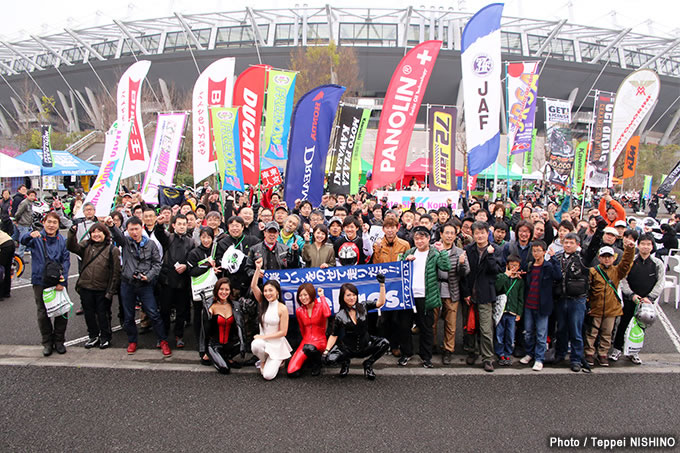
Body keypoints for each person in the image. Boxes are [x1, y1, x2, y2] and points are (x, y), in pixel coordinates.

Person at [106, 215, 171, 358]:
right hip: (127, 284)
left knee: (153, 313)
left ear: (141, 228)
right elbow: (117, 236)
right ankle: (132, 341)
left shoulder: (151, 244)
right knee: (128, 316)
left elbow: (156, 264)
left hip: (145, 284)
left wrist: (148, 276)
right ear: (127, 230)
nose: (134, 232)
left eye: (136, 229)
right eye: (131, 230)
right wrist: (111, 226)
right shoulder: (125, 242)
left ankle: (163, 340)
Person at [20, 212, 70, 356]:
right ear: (44, 222)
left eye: (55, 222)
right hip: (40, 280)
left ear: (58, 225)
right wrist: (30, 235)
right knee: (43, 313)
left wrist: (63, 280)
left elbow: (66, 261)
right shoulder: (36, 237)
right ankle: (47, 342)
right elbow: (22, 240)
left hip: (58, 280)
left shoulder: (62, 240)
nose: (51, 225)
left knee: (62, 311)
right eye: (49, 222)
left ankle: (59, 341)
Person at [401, 226, 451, 368]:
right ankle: (407, 353)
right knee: (405, 326)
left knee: (426, 328)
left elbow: (446, 267)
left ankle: (426, 357)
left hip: (426, 296)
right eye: (416, 238)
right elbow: (401, 270)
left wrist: (442, 252)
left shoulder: (434, 253)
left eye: (422, 238)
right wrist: (405, 261)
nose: (419, 241)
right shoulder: (410, 252)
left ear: (429, 238)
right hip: (409, 297)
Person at [324, 275, 389, 380]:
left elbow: (380, 303)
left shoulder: (363, 306)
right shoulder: (339, 315)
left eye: (354, 295)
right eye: (348, 295)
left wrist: (382, 285)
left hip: (366, 344)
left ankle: (368, 364)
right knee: (329, 359)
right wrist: (326, 351)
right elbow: (334, 335)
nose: (351, 298)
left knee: (385, 343)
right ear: (343, 297)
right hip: (348, 348)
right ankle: (345, 362)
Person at [67, 222, 120, 349]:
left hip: (102, 288)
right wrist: (71, 233)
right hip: (86, 287)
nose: (96, 235)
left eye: (99, 232)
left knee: (103, 314)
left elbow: (115, 272)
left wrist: (110, 291)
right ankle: (93, 336)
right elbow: (71, 246)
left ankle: (105, 337)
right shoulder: (86, 246)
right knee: (89, 314)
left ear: (105, 233)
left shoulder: (112, 249)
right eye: (93, 232)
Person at [613, 233, 665, 364]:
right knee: (624, 323)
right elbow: (623, 279)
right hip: (630, 299)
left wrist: (650, 297)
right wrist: (631, 295)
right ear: (638, 245)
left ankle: (634, 352)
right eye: (643, 244)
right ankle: (617, 348)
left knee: (640, 328)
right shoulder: (632, 261)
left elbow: (660, 282)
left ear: (652, 246)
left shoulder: (657, 263)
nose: (645, 247)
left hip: (646, 302)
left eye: (648, 244)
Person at [584, 240, 635, 367]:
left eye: (609, 257)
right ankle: (589, 353)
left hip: (612, 308)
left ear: (613, 258)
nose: (607, 259)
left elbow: (626, 264)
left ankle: (603, 354)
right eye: (604, 257)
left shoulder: (617, 271)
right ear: (599, 258)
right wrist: (588, 304)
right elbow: (587, 289)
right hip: (596, 307)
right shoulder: (593, 271)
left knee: (607, 333)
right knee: (592, 332)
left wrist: (629, 251)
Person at [462, 221, 502, 372]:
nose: (479, 236)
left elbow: (496, 270)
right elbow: (465, 274)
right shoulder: (469, 249)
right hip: (470, 294)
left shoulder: (495, 249)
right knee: (469, 326)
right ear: (472, 234)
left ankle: (487, 358)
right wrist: (465, 293)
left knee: (486, 329)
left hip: (486, 293)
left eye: (482, 233)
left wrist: (490, 256)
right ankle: (471, 352)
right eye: (476, 233)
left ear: (487, 233)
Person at [519, 241, 562, 371]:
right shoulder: (530, 266)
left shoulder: (548, 266)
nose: (536, 253)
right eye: (534, 251)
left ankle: (539, 358)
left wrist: (554, 258)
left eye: (539, 250)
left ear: (544, 251)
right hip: (529, 304)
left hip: (543, 305)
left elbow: (558, 276)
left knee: (541, 334)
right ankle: (530, 353)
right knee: (528, 332)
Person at [371, 217, 411, 357]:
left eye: (392, 227)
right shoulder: (377, 245)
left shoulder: (405, 244)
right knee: (383, 319)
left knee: (397, 319)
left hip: (398, 287)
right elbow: (374, 265)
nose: (390, 230)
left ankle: (395, 345)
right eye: (387, 227)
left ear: (397, 228)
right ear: (383, 229)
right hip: (382, 286)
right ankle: (383, 345)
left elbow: (408, 264)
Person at [154, 213, 194, 348]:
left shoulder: (191, 241)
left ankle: (179, 335)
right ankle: (163, 336)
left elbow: (193, 259)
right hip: (167, 281)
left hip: (183, 282)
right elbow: (159, 233)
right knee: (164, 310)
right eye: (179, 224)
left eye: (184, 224)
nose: (182, 227)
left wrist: (186, 266)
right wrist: (159, 224)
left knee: (181, 311)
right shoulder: (168, 237)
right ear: (173, 225)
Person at [249, 258, 292, 380]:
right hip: (263, 343)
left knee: (267, 376)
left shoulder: (282, 308)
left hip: (276, 344)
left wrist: (263, 337)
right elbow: (253, 286)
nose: (268, 293)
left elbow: (283, 332)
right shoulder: (263, 302)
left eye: (271, 290)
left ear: (277, 292)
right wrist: (258, 269)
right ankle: (263, 360)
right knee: (255, 345)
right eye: (266, 291)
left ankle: (279, 359)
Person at [436, 222, 469, 364]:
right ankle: (432, 346)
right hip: (435, 289)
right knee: (432, 321)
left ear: (455, 236)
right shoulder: (434, 249)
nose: (449, 236)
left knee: (451, 324)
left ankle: (448, 350)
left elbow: (465, 273)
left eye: (452, 233)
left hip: (452, 290)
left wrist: (461, 264)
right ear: (441, 234)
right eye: (446, 233)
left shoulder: (460, 252)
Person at [203, 278, 247, 374]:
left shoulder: (235, 305)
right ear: (216, 290)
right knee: (225, 369)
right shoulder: (210, 306)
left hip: (229, 344)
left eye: (227, 290)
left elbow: (240, 326)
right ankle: (219, 357)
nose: (224, 292)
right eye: (221, 289)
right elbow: (204, 331)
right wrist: (205, 350)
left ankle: (226, 356)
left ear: (230, 291)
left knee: (248, 342)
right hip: (215, 345)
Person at [287, 283, 331, 377]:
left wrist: (322, 296)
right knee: (292, 371)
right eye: (300, 295)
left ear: (311, 294)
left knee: (309, 348)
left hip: (320, 341)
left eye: (305, 295)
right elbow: (302, 328)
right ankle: (309, 358)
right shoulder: (299, 311)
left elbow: (327, 313)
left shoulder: (320, 306)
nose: (303, 298)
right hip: (306, 342)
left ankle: (317, 363)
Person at [495, 255, 525, 366]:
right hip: (501, 311)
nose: (513, 267)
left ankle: (508, 353)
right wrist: (505, 276)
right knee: (499, 334)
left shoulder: (519, 281)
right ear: (507, 265)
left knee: (510, 335)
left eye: (516, 265)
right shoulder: (501, 276)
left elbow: (521, 298)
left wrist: (519, 313)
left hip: (512, 312)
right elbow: (497, 288)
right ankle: (500, 353)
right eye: (511, 265)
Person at [14, 189, 37, 258]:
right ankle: (19, 258)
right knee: (23, 241)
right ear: (27, 195)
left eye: (34, 196)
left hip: (29, 224)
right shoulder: (24, 203)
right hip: (23, 224)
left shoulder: (30, 203)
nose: (33, 197)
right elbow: (18, 213)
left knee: (29, 239)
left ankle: (26, 253)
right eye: (31, 196)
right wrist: (17, 221)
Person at [0, 229, 14, 299]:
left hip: (4, 246)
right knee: (7, 270)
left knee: (1, 270)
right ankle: (7, 292)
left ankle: (1, 294)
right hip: (11, 242)